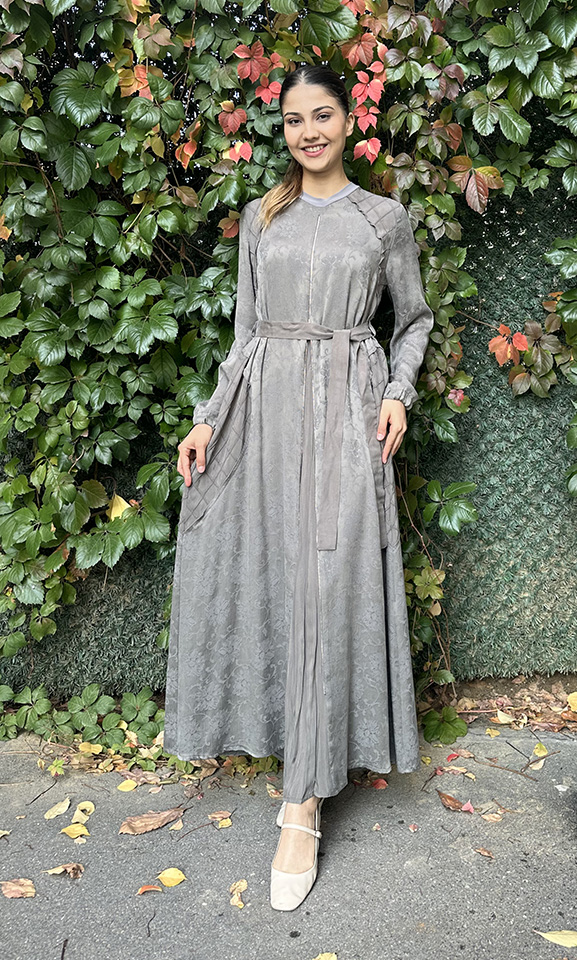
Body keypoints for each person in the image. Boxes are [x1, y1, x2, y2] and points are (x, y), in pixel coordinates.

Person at [164, 63, 435, 911]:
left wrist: (397, 393)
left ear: (349, 121)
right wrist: (208, 418)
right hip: (265, 413)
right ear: (280, 129)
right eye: (292, 120)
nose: (308, 132)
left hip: (350, 413)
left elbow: (413, 320)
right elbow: (244, 333)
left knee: (327, 586)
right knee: (279, 582)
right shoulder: (262, 216)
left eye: (321, 115)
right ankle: (292, 757)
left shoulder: (382, 219)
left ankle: (302, 803)